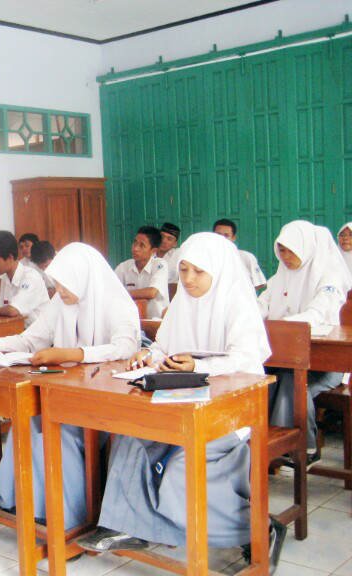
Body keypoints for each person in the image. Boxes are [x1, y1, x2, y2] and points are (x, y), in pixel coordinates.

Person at [79, 232, 285, 572]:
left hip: (230, 413)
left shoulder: (237, 303)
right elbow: (164, 344)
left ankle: (258, 528)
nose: (187, 280)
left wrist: (198, 366)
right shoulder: (183, 303)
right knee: (131, 435)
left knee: (179, 474)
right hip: (181, 404)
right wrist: (149, 354)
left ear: (217, 272)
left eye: (198, 272)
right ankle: (129, 526)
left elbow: (246, 361)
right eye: (184, 270)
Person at [0, 243, 141, 529]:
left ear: (84, 278)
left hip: (108, 402)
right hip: (66, 394)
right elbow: (30, 339)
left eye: (64, 284)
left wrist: (73, 354)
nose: (59, 290)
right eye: (56, 283)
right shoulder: (61, 303)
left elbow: (125, 347)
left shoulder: (116, 302)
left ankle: (66, 518)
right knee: (27, 420)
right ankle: (10, 497)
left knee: (58, 433)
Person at [258, 221, 351, 465]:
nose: (285, 257)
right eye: (282, 251)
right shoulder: (280, 277)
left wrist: (282, 326)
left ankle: (303, 447)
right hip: (285, 356)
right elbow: (260, 305)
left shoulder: (330, 277)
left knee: (292, 381)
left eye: (291, 250)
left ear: (306, 248)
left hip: (326, 363)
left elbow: (317, 314)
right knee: (263, 381)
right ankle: (268, 444)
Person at [114, 226, 169, 319]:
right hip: (131, 321)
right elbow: (110, 288)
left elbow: (152, 292)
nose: (135, 248)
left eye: (141, 245)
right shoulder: (124, 267)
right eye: (135, 242)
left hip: (155, 323)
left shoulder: (160, 265)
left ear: (153, 251)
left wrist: (121, 294)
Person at [213, 218, 267, 290]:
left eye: (226, 236)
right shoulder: (206, 258)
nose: (222, 239)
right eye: (218, 235)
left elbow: (259, 283)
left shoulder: (246, 257)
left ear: (233, 238)